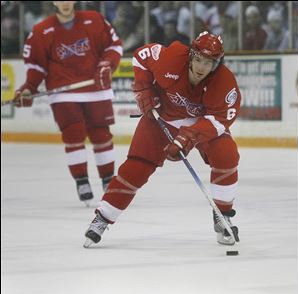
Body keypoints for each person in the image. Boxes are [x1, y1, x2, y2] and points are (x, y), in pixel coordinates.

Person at [84, 31, 241, 248]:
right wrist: (144, 89)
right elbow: (140, 56)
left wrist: (187, 137)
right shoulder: (172, 57)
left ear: (217, 63)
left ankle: (223, 216)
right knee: (136, 167)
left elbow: (219, 120)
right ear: (190, 55)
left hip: (200, 125)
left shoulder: (225, 82)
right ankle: (103, 217)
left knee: (226, 155)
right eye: (197, 59)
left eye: (208, 62)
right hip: (162, 118)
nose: (201, 67)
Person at [14, 1, 123, 204]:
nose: (64, 3)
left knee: (101, 135)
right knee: (73, 135)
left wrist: (107, 64)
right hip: (64, 92)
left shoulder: (96, 20)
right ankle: (81, 180)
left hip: (96, 89)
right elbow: (36, 66)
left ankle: (109, 180)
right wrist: (29, 87)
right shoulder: (41, 30)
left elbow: (113, 46)